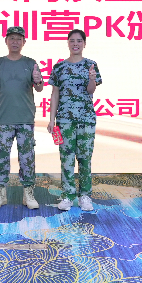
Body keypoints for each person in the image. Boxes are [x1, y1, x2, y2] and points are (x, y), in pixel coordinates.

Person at [0, 26, 44, 209]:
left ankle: (28, 193)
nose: (15, 42)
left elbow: (39, 88)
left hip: (25, 118)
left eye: (18, 39)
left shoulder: (30, 63)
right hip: (3, 118)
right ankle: (0, 193)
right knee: (1, 157)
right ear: (6, 41)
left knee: (27, 158)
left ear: (24, 42)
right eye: (12, 38)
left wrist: (38, 80)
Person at [47, 29, 102, 211]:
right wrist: (51, 119)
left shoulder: (91, 65)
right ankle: (68, 195)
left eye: (79, 41)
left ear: (84, 44)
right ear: (68, 43)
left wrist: (92, 79)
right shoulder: (59, 67)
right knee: (67, 159)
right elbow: (55, 94)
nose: (75, 44)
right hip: (64, 121)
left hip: (86, 119)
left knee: (85, 158)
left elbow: (91, 90)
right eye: (72, 41)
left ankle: (85, 195)